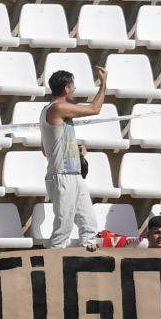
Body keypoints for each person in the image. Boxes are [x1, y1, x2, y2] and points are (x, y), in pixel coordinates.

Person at [40, 66, 108, 249]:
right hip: (62, 175)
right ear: (66, 89)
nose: (75, 88)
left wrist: (73, 149)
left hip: (73, 174)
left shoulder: (53, 110)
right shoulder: (57, 107)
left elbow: (46, 149)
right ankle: (53, 268)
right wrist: (103, 83)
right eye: (73, 85)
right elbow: (95, 108)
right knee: (64, 228)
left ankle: (88, 261)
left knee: (88, 224)